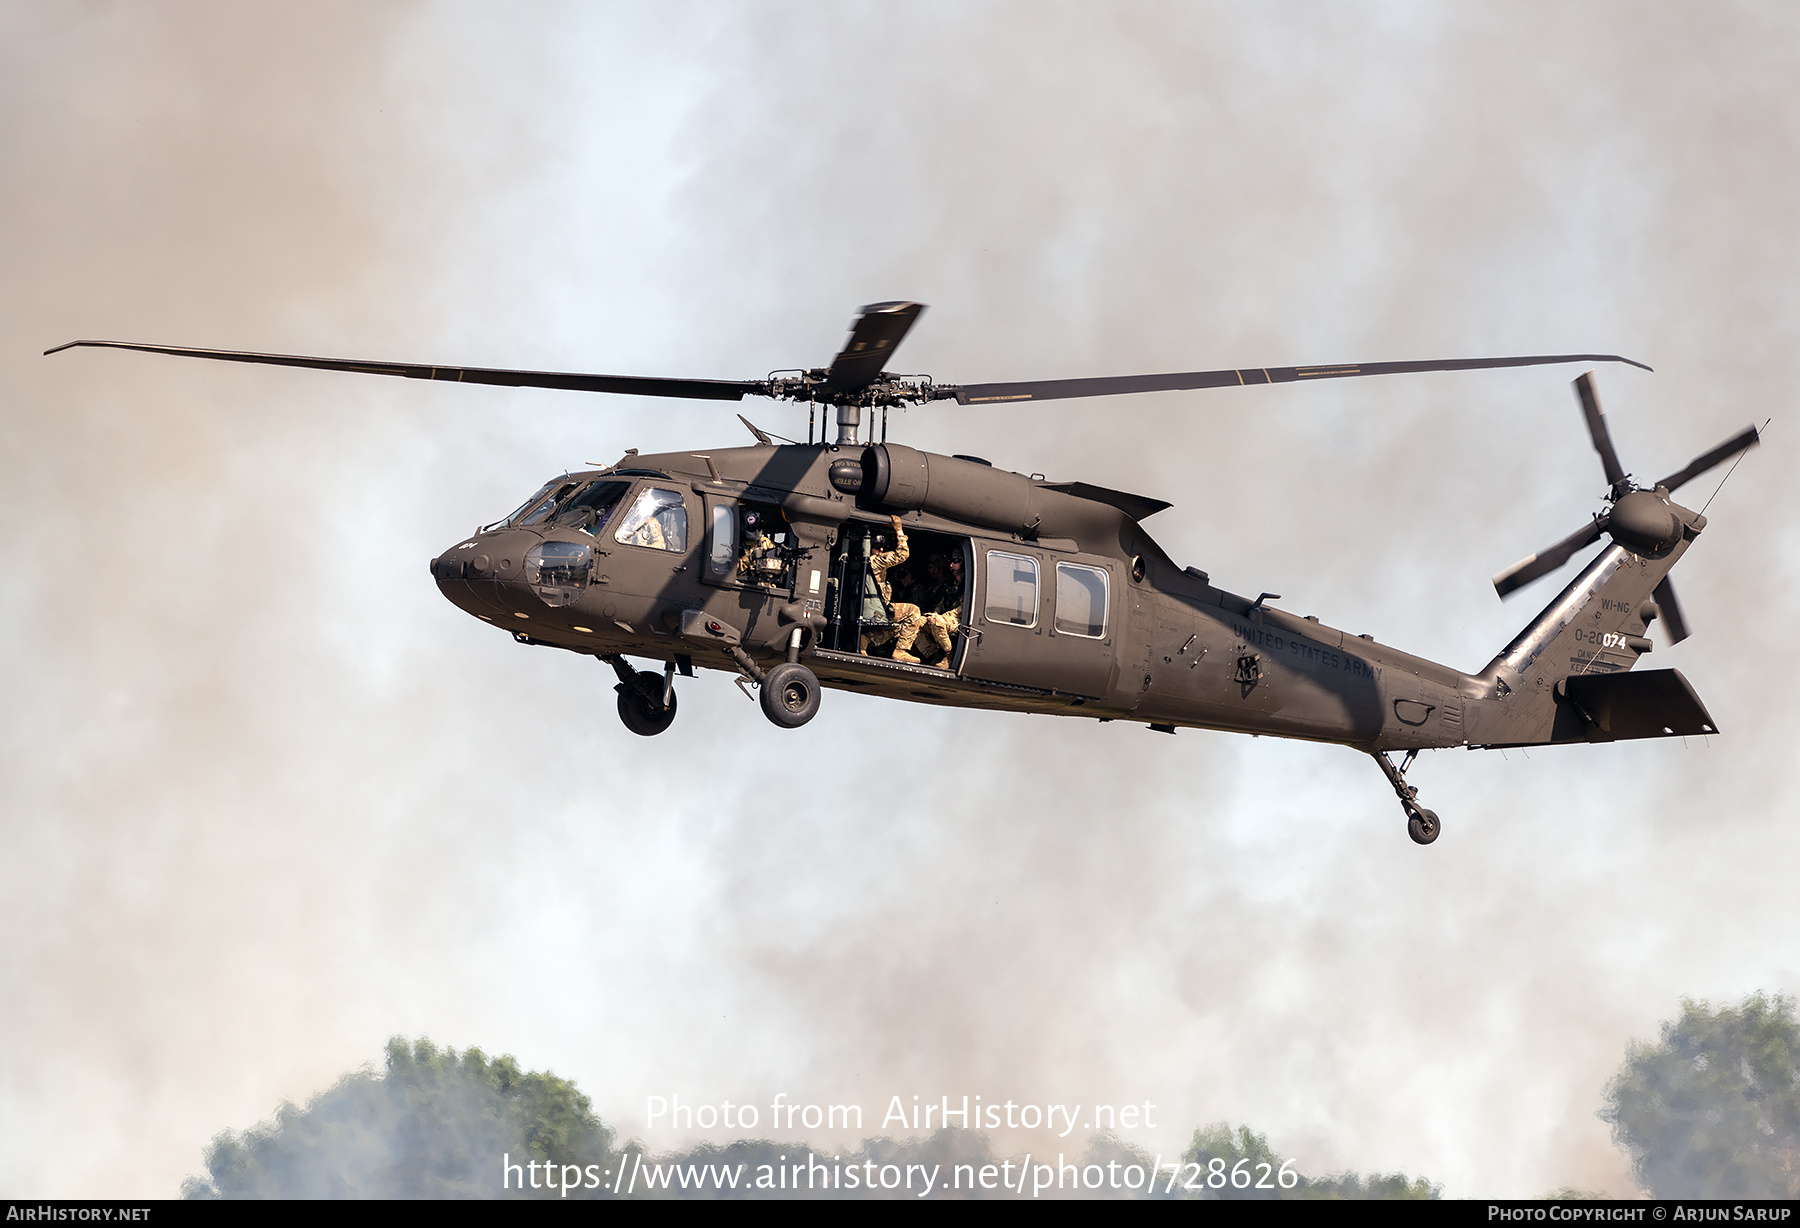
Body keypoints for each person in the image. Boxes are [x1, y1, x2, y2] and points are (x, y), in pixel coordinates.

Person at [861, 515, 926, 662]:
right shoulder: (875, 561)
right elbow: (902, 554)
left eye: (884, 546)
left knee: (899, 627)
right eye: (877, 546)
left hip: (868, 608)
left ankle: (865, 640)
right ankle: (901, 651)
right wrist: (899, 531)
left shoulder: (859, 561)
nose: (881, 549)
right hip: (876, 611)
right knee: (913, 612)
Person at [920, 553, 964, 669]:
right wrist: (933, 614)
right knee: (918, 621)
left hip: (960, 621)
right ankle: (935, 654)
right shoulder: (951, 583)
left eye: (955, 561)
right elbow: (942, 603)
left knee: (937, 621)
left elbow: (963, 608)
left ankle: (948, 656)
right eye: (950, 562)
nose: (951, 565)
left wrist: (944, 616)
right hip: (946, 618)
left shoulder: (969, 584)